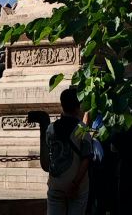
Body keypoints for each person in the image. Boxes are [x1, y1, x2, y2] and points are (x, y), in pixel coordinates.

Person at [40, 87, 95, 215]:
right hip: (77, 187)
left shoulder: (51, 129)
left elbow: (48, 157)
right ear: (78, 106)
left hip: (56, 185)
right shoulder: (82, 129)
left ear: (62, 105)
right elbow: (86, 159)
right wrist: (75, 184)